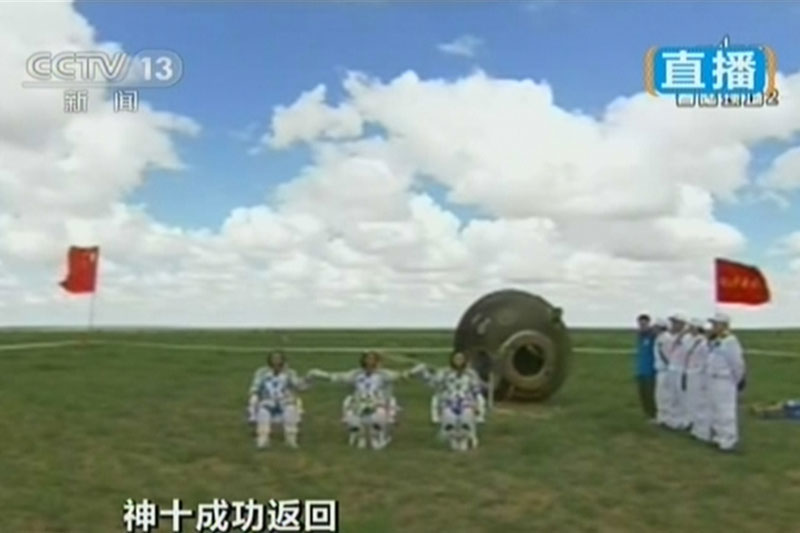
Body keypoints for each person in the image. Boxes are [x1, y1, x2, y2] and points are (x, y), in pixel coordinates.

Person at [306, 351, 412, 450]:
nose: (369, 362)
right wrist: (318, 374)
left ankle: (377, 436)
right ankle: (360, 436)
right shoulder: (356, 374)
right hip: (359, 403)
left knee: (378, 417)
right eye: (367, 359)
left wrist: (415, 371)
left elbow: (404, 376)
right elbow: (335, 377)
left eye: (372, 359)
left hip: (378, 404)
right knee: (352, 416)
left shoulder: (385, 375)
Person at [409, 352, 486, 450]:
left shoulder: (471, 374)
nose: (458, 361)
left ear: (465, 360)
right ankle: (452, 439)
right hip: (449, 401)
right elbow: (433, 383)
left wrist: (478, 405)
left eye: (461, 358)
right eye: (456, 358)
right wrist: (422, 372)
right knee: (450, 418)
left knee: (466, 417)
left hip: (467, 402)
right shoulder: (444, 372)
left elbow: (476, 389)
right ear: (452, 360)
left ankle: (466, 439)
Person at [247, 351, 307, 449]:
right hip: (267, 400)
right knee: (263, 412)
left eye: (278, 358)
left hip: (285, 400)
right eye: (274, 358)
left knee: (290, 410)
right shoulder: (262, 372)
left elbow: (298, 386)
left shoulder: (290, 373)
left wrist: (306, 382)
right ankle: (263, 439)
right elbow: (255, 387)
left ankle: (291, 439)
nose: (276, 361)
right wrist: (254, 396)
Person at [706, 312, 746, 452]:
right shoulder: (716, 340)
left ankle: (729, 440)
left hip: (724, 380)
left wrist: (736, 380)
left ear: (724, 325)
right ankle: (719, 437)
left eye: (715, 324)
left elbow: (737, 364)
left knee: (725, 410)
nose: (712, 327)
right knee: (715, 409)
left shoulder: (730, 341)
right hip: (713, 379)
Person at [683, 318, 711, 441]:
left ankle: (702, 429)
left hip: (699, 373)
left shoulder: (703, 342)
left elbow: (706, 359)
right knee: (691, 399)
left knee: (699, 401)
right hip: (691, 371)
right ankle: (694, 424)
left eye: (692, 327)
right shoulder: (689, 339)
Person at [666, 314, 689, 430]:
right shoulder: (671, 336)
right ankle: (674, 419)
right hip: (672, 368)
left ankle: (684, 421)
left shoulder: (687, 338)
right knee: (672, 395)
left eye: (675, 323)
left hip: (681, 369)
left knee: (682, 396)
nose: (673, 325)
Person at [633, 314, 657, 421]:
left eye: (644, 324)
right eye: (640, 324)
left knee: (650, 394)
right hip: (640, 370)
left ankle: (654, 414)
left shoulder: (653, 337)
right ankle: (647, 414)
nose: (642, 326)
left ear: (648, 324)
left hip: (650, 371)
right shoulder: (639, 337)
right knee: (642, 394)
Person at [653, 318, 673, 427]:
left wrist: (669, 366)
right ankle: (662, 418)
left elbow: (667, 356)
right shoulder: (660, 338)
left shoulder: (665, 339)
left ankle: (666, 419)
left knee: (665, 396)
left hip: (665, 371)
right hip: (661, 370)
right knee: (660, 396)